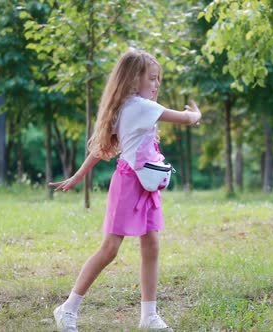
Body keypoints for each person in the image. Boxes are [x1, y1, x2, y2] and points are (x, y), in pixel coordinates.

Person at [48, 49, 201, 331]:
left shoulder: (127, 107)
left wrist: (79, 175)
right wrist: (196, 113)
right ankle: (67, 308)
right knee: (110, 249)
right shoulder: (142, 108)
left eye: (158, 80)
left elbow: (100, 149)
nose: (156, 85)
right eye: (152, 79)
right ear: (133, 80)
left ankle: (148, 317)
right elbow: (186, 119)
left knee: (151, 245)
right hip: (129, 185)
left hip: (145, 184)